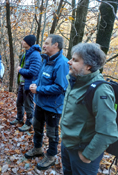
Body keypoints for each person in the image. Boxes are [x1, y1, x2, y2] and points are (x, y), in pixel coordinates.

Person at [60, 43, 118, 175]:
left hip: (83, 151)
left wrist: (87, 155)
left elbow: (108, 132)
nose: (69, 62)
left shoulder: (100, 90)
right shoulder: (75, 80)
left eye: (75, 60)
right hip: (68, 145)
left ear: (88, 66)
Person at [27, 34, 69, 170]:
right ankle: (38, 148)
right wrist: (35, 85)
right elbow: (40, 78)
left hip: (53, 106)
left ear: (55, 45)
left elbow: (60, 87)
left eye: (46, 43)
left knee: (52, 133)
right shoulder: (46, 59)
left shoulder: (62, 63)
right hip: (40, 103)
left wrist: (39, 89)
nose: (43, 46)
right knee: (37, 127)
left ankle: (51, 156)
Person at [9, 35, 42, 132]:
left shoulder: (35, 55)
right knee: (19, 102)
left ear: (28, 43)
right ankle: (19, 118)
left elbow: (33, 72)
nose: (22, 42)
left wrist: (20, 70)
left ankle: (28, 123)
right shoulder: (26, 54)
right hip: (22, 83)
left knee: (28, 105)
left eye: (24, 41)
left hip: (29, 84)